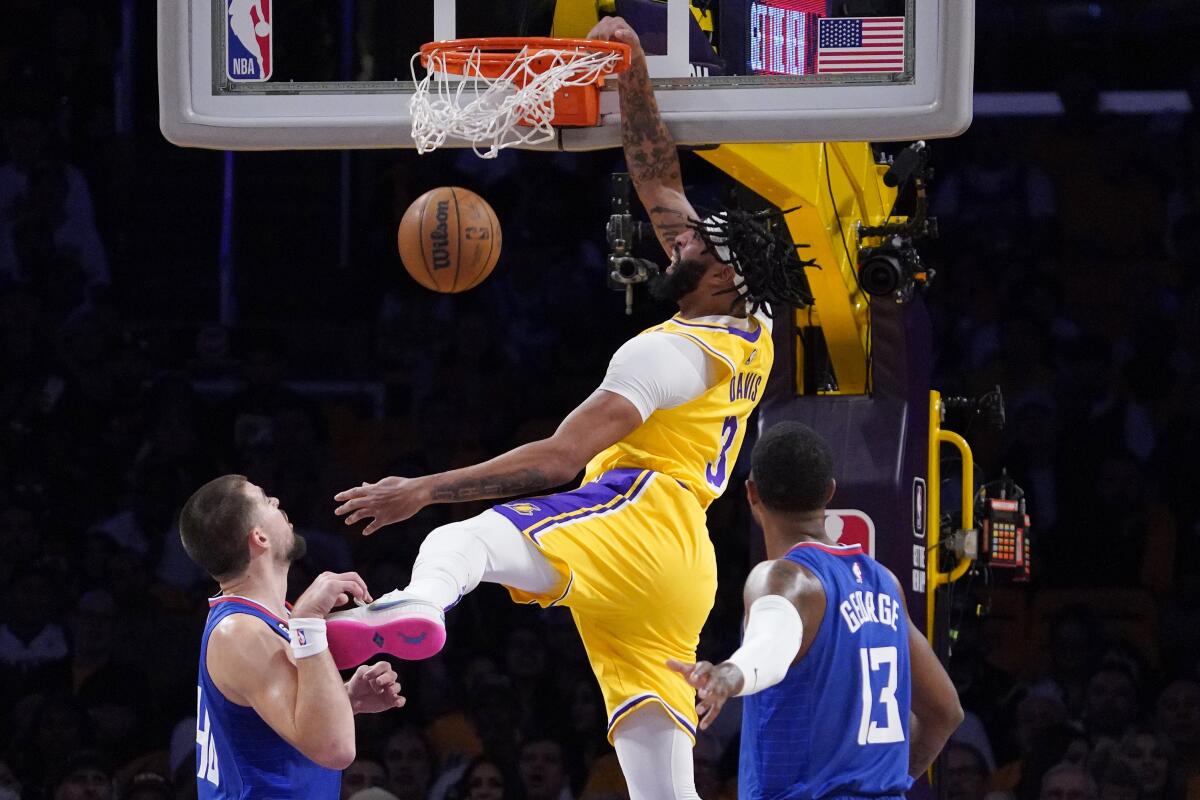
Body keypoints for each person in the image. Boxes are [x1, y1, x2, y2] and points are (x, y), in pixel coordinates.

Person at [330, 15, 812, 798]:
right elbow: (660, 185)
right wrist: (630, 73)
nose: (676, 240)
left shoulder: (666, 354)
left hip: (639, 514)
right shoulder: (749, 322)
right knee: (662, 781)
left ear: (722, 275)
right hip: (685, 563)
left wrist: (421, 489)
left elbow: (558, 460)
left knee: (470, 541)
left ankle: (417, 601)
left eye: (694, 247)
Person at [666, 422, 963, 799]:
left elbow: (770, 643)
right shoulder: (885, 584)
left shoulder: (784, 577)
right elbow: (945, 711)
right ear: (830, 491)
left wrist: (731, 673)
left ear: (751, 493)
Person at [179, 475, 406, 798]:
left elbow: (281, 725)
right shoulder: (241, 632)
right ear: (259, 537)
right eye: (264, 499)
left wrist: (347, 700)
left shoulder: (264, 621)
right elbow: (335, 749)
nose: (276, 502)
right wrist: (309, 621)